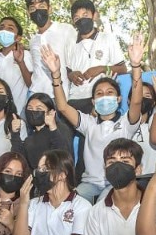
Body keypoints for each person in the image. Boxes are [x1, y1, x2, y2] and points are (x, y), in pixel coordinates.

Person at [41, 33, 144, 202]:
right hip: (89, 185)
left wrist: (136, 65)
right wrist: (56, 73)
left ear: (118, 99)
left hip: (118, 184)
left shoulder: (127, 122)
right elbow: (63, 107)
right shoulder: (88, 123)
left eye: (109, 93)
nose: (104, 96)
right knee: (70, 204)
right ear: (93, 101)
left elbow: (137, 101)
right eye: (99, 94)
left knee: (105, 204)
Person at [84, 138, 156, 235]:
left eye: (125, 161)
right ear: (105, 169)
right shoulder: (96, 211)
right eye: (112, 161)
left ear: (138, 169)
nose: (117, 166)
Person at [13, 149, 92, 235]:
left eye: (45, 169)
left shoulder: (82, 206)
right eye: (39, 169)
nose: (39, 173)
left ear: (62, 174)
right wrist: (24, 203)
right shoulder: (34, 204)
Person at [65, 0, 128, 113]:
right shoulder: (70, 43)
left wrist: (101, 69)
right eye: (77, 18)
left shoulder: (107, 38)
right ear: (73, 21)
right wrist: (71, 75)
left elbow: (123, 69)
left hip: (99, 99)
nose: (81, 20)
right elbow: (67, 71)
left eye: (85, 15)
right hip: (74, 99)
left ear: (94, 15)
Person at [25, 0, 77, 97]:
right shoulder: (33, 40)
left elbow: (74, 62)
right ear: (28, 13)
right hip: (35, 94)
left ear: (50, 9)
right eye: (33, 8)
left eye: (42, 6)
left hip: (60, 95)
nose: (37, 10)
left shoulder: (65, 30)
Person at [14, 93, 73, 169]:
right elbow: (20, 160)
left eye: (39, 109)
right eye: (30, 108)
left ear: (50, 112)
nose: (33, 112)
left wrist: (53, 128)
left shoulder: (60, 129)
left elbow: (63, 157)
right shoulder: (29, 139)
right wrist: (15, 133)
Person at [0, 16, 33, 104]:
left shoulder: (25, 55)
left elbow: (30, 84)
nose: (4, 31)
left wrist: (20, 62)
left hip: (18, 109)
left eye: (10, 28)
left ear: (18, 38)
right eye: (1, 28)